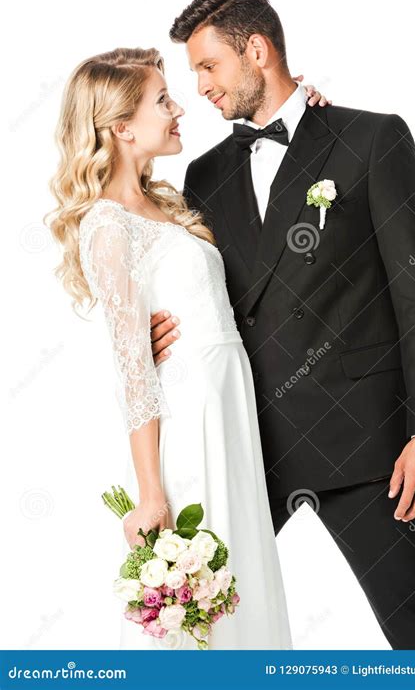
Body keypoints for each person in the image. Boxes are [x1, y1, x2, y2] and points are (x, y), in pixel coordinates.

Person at [150, 0, 415, 650]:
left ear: (257, 50)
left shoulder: (371, 139)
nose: (201, 87)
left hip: (362, 443)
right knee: (186, 615)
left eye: (208, 67)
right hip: (245, 440)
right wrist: (150, 338)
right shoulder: (205, 176)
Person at [45, 46, 327, 649]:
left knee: (242, 591)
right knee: (202, 611)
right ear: (122, 127)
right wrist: (151, 495)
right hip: (189, 427)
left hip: (229, 414)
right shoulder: (107, 225)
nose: (180, 108)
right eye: (162, 101)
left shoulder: (166, 204)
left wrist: (310, 114)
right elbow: (133, 373)